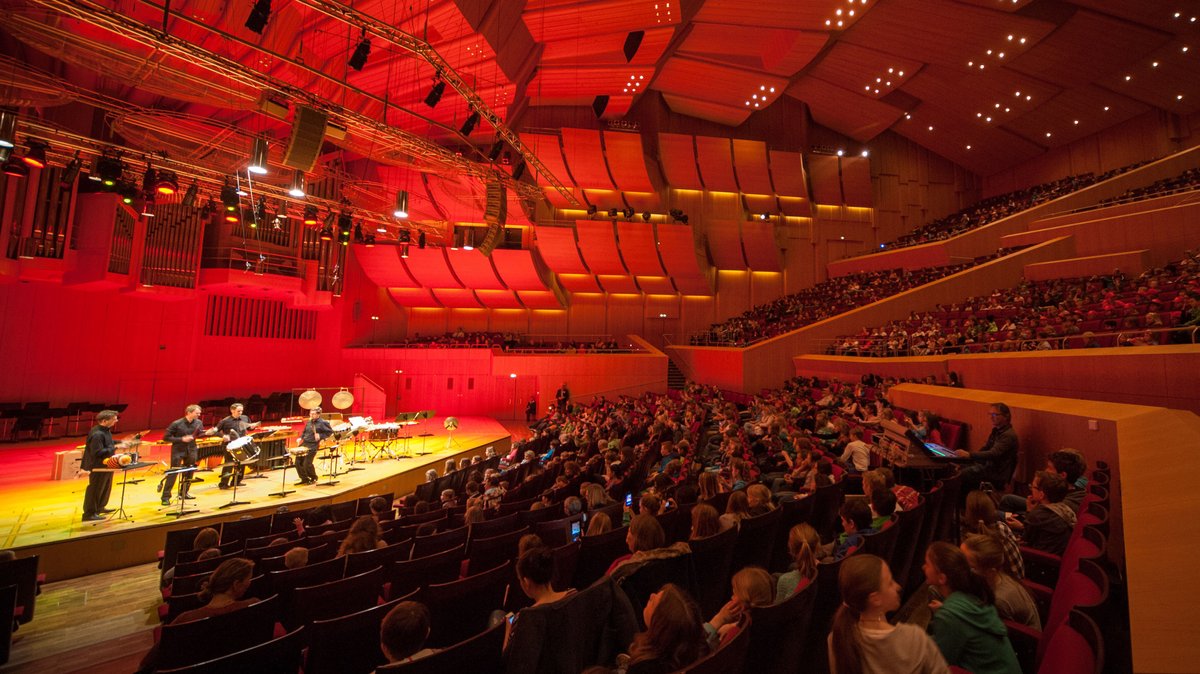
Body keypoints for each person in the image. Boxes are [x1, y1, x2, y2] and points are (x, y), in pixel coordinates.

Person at [828, 554, 949, 674]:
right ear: (875, 599)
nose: (898, 586)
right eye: (890, 582)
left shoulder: (836, 639)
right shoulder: (913, 639)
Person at [923, 542, 1021, 674]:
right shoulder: (973, 595)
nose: (923, 567)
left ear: (942, 578)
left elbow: (941, 664)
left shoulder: (949, 614)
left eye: (927, 564)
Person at [961, 534, 1040, 630]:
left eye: (969, 567)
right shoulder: (1001, 575)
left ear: (990, 572)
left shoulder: (999, 601)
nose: (958, 568)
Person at [624, 584, 709, 674]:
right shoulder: (695, 652)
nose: (651, 595)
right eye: (657, 593)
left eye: (653, 603)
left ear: (660, 628)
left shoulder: (642, 668)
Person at [506, 545, 576, 647]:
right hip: (572, 656)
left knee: (497, 614)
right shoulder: (573, 594)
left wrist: (508, 628)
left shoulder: (523, 618)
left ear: (526, 582)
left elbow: (507, 658)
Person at [955, 403, 1019, 495]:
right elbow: (985, 448)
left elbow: (993, 454)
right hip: (988, 467)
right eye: (990, 414)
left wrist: (969, 455)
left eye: (994, 415)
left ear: (1006, 416)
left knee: (962, 474)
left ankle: (965, 505)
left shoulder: (1008, 435)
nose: (991, 417)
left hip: (996, 473)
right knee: (959, 468)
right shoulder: (996, 431)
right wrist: (969, 459)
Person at [1007, 471, 1075, 556]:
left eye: (1033, 487)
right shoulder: (1064, 508)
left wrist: (1029, 511)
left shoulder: (1038, 514)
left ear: (1041, 495)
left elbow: (1025, 539)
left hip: (1038, 560)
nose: (1031, 489)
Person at [704, 567, 772, 645]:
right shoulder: (763, 622)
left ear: (745, 601)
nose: (731, 597)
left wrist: (719, 619)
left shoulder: (735, 634)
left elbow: (698, 648)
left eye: (734, 593)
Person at [80, 409, 123, 521]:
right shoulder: (97, 434)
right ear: (104, 420)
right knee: (95, 488)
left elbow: (108, 442)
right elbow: (97, 452)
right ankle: (89, 514)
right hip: (97, 465)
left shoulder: (105, 430)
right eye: (114, 419)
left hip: (107, 464)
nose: (116, 421)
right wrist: (116, 447)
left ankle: (100, 507)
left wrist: (120, 442)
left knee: (105, 486)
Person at [161, 404, 204, 506]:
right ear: (189, 412)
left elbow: (200, 434)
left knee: (190, 471)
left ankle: (184, 492)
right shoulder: (176, 423)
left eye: (199, 413)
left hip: (192, 449)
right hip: (178, 450)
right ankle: (165, 497)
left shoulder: (199, 422)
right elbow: (166, 438)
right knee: (174, 472)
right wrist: (181, 439)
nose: (199, 414)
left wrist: (208, 432)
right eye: (197, 413)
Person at [216, 403, 258, 490]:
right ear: (232, 411)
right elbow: (215, 431)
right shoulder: (225, 421)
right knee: (229, 463)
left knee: (242, 462)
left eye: (241, 411)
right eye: (238, 411)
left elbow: (249, 428)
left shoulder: (245, 418)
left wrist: (252, 427)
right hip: (230, 445)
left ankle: (236, 481)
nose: (240, 413)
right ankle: (223, 483)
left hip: (242, 443)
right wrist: (223, 436)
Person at [775, 523, 819, 602]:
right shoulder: (824, 570)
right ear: (817, 546)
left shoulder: (785, 581)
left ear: (791, 549)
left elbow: (778, 612)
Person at [294, 407, 332, 485]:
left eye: (313, 413)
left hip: (313, 444)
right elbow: (304, 432)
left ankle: (313, 477)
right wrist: (300, 438)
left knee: (306, 464)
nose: (311, 415)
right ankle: (304, 478)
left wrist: (321, 436)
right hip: (304, 443)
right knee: (298, 462)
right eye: (310, 413)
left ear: (318, 414)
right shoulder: (309, 422)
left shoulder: (323, 422)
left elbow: (329, 432)